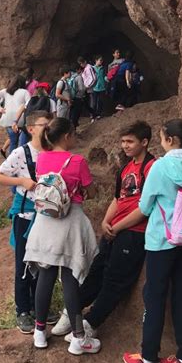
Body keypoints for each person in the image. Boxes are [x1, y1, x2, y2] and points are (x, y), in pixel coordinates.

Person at [52, 121, 155, 338]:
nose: (125, 146)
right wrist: (106, 222)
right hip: (114, 228)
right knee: (96, 271)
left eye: (130, 141)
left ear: (144, 142)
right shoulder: (126, 168)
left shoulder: (151, 167)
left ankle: (90, 324)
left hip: (134, 231)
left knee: (115, 278)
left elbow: (145, 208)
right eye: (123, 141)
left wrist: (117, 226)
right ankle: (72, 312)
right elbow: (118, 198)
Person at [119, 119, 182, 363]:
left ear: (168, 140)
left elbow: (144, 208)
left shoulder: (160, 167)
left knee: (154, 296)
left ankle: (148, 359)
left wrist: (117, 225)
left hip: (162, 241)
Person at [23, 118, 101, 355]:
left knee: (45, 276)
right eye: (74, 133)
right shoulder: (77, 161)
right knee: (70, 280)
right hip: (70, 223)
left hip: (45, 221)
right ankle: (78, 339)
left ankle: (39, 333)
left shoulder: (42, 158)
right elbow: (91, 191)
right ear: (67, 135)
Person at [0, 111, 54, 333]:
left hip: (48, 216)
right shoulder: (20, 153)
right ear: (31, 129)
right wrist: (21, 181)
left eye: (50, 124)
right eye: (44, 125)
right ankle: (23, 310)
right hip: (25, 215)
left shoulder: (52, 151)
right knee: (24, 264)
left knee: (44, 261)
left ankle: (40, 305)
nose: (48, 128)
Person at [0, 75, 31, 154]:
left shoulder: (6, 91)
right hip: (19, 118)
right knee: (21, 141)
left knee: (13, 141)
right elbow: (29, 103)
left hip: (7, 117)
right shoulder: (24, 92)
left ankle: (11, 161)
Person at [69, 65, 86, 129]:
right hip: (77, 97)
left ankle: (72, 127)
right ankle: (74, 128)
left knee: (72, 112)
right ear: (77, 70)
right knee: (76, 113)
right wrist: (81, 95)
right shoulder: (78, 77)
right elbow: (81, 88)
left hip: (71, 97)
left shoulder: (70, 77)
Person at [91, 55, 107, 120]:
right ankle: (93, 115)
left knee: (100, 102)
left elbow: (105, 76)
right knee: (94, 103)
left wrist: (107, 79)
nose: (101, 62)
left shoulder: (103, 68)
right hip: (94, 88)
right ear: (96, 60)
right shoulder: (92, 68)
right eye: (100, 60)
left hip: (102, 88)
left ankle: (98, 114)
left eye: (102, 60)